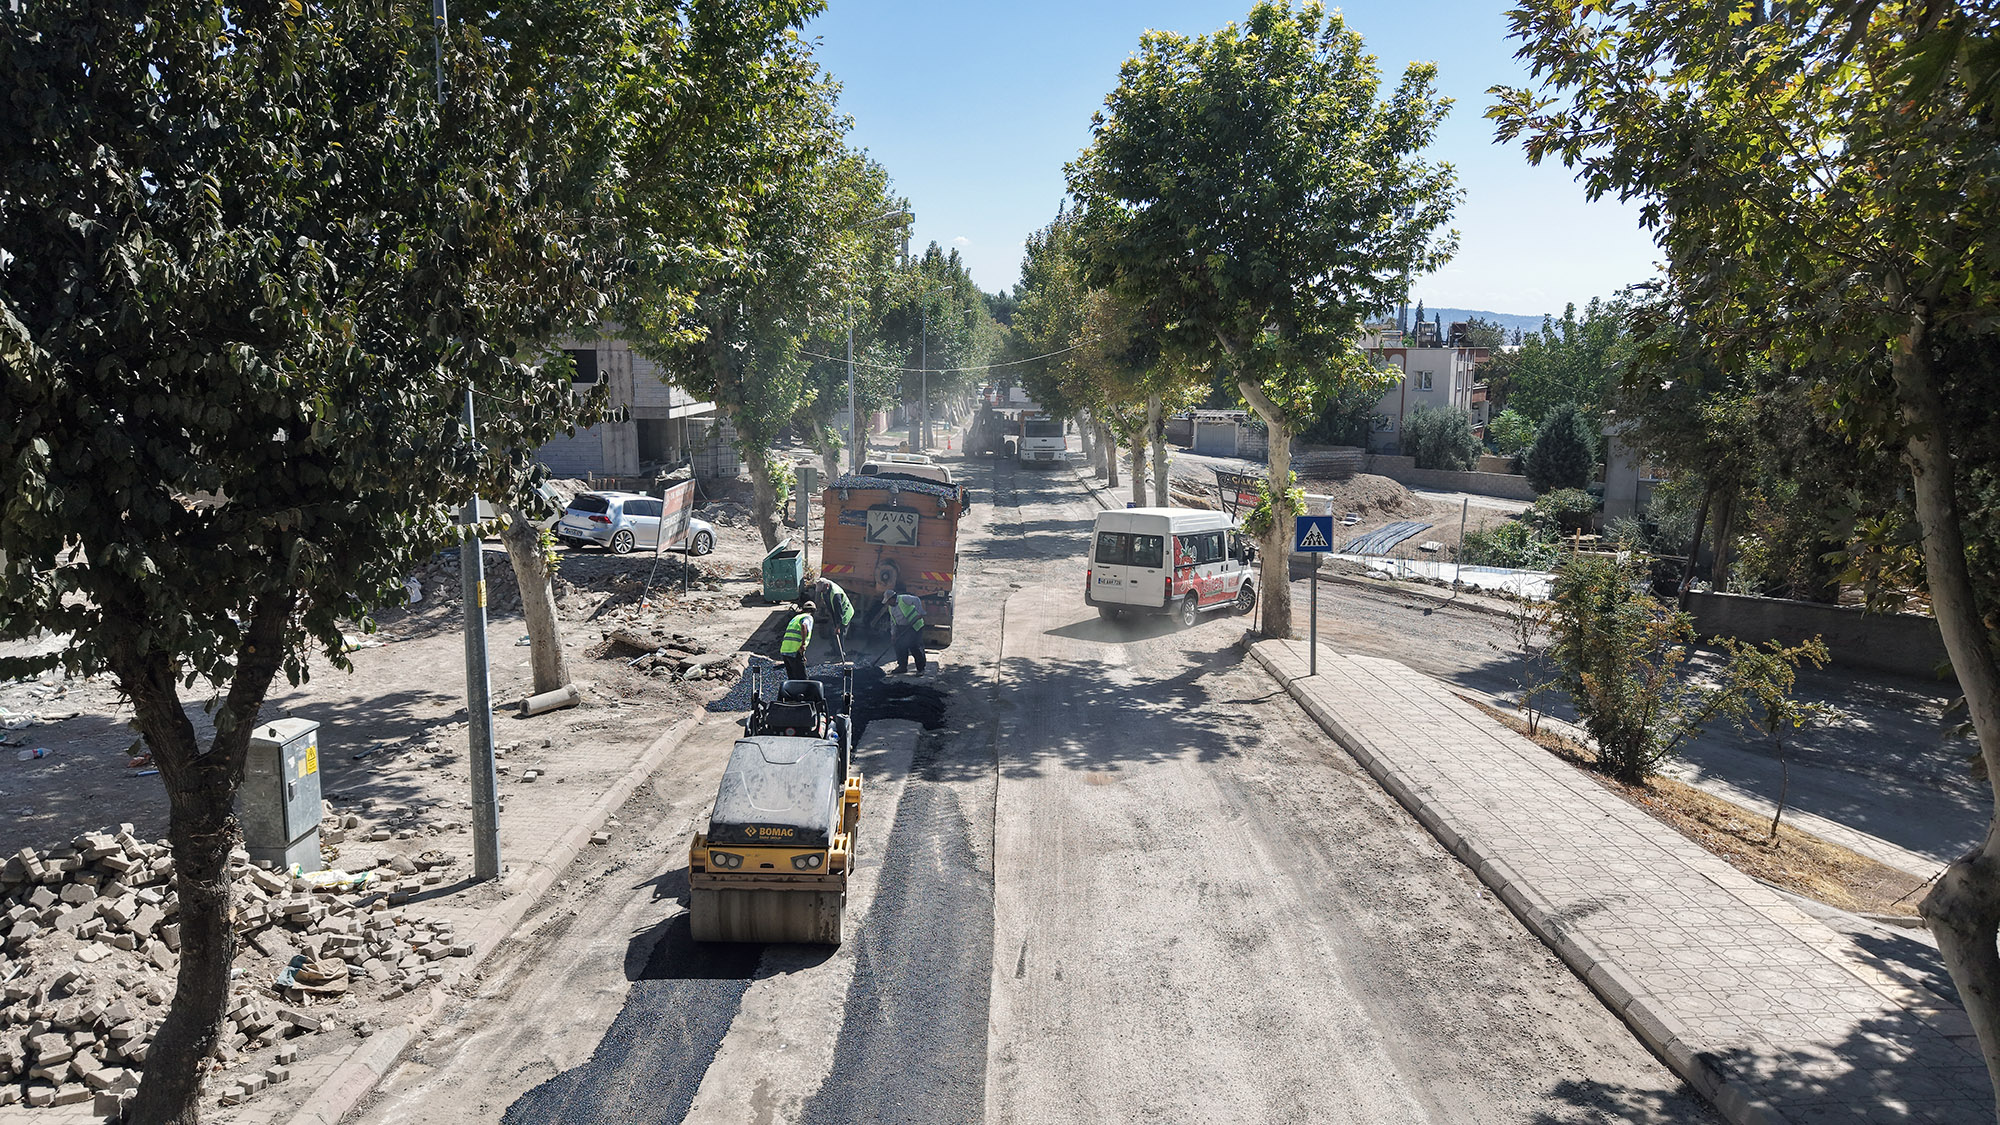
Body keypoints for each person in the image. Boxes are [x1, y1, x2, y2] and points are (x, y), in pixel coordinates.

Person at [881, 588, 927, 675]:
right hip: (902, 627)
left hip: (915, 626)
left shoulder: (904, 599)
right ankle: (902, 667)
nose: (888, 603)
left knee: (914, 646)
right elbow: (893, 622)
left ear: (892, 598)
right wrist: (893, 634)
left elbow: (916, 599)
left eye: (888, 601)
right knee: (899, 645)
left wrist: (920, 612)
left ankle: (921, 669)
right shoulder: (891, 608)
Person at [812, 578, 853, 661]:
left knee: (840, 634)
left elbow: (839, 612)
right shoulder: (825, 590)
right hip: (835, 612)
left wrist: (838, 627)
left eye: (822, 590)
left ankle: (841, 654)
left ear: (827, 586)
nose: (821, 592)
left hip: (844, 613)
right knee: (831, 632)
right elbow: (828, 605)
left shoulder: (835, 594)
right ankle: (834, 651)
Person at [779, 600, 815, 682]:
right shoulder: (808, 617)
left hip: (785, 650)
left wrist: (802, 655)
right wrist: (803, 644)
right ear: (813, 611)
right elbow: (804, 626)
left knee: (792, 679)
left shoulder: (796, 618)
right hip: (794, 651)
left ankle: (792, 690)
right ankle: (803, 690)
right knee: (802, 679)